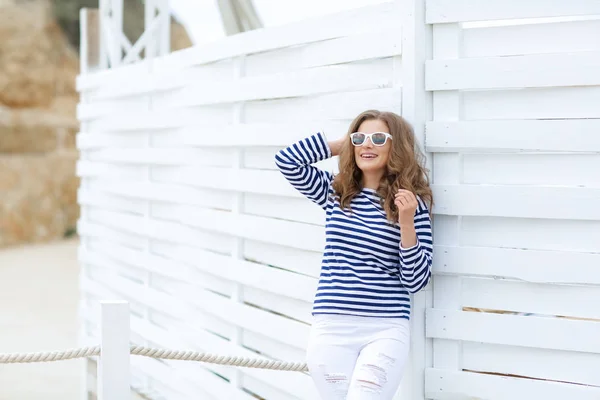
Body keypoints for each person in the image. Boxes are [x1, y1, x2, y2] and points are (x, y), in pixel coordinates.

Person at [274, 109, 433, 399]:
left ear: (396, 146)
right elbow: (287, 160)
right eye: (360, 137)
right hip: (331, 325)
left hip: (385, 328)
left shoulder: (412, 205)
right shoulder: (336, 191)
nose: (367, 144)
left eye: (378, 138)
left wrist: (406, 222)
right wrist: (344, 143)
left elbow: (416, 282)